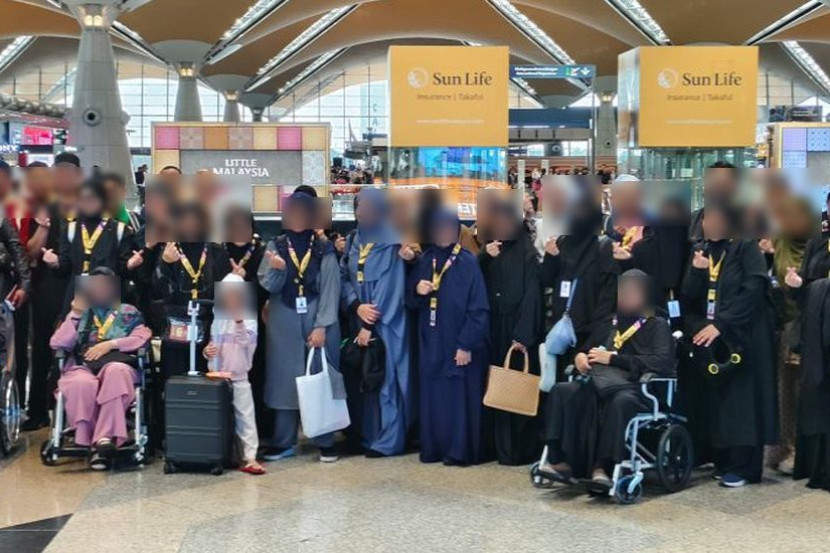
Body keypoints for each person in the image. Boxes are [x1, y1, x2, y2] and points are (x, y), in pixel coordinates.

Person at [540, 270, 675, 483]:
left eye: (632, 292)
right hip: (599, 383)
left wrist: (613, 359)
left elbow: (662, 362)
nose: (626, 297)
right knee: (562, 391)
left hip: (637, 388)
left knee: (619, 402)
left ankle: (602, 467)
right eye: (623, 292)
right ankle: (560, 460)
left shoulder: (656, 324)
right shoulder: (610, 321)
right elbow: (586, 349)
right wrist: (580, 357)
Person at [681, 203, 778, 487]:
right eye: (707, 219)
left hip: (744, 336)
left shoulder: (745, 246)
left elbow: (754, 289)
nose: (711, 224)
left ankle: (746, 468)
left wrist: (722, 324)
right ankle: (722, 460)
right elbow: (689, 296)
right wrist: (697, 271)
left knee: (743, 402)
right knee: (718, 401)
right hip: (714, 340)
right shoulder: (701, 250)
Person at [257, 191, 342, 463]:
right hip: (284, 321)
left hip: (318, 316)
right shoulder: (276, 245)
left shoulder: (324, 248)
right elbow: (268, 285)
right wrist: (277, 269)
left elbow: (331, 288)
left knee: (321, 378)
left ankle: (325, 440)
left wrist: (322, 326)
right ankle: (284, 441)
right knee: (284, 381)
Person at [406, 209, 490, 465]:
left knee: (457, 400)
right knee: (434, 400)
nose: (443, 234)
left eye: (448, 229)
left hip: (458, 345)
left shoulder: (467, 262)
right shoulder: (425, 260)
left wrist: (466, 345)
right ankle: (434, 448)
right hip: (431, 343)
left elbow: (479, 309)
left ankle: (458, 450)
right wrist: (417, 290)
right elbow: (410, 303)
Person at [48, 268, 151, 470]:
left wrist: (111, 344)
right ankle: (86, 440)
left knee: (115, 373)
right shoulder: (79, 313)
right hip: (84, 366)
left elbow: (142, 337)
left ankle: (104, 438)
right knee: (80, 383)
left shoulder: (128, 311)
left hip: (117, 363)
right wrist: (75, 314)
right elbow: (57, 343)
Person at [340, 188, 413, 457]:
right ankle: (369, 435)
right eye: (359, 206)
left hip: (387, 324)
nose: (362, 212)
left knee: (387, 379)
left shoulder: (392, 241)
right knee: (366, 379)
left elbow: (390, 288)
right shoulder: (353, 239)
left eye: (369, 207)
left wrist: (368, 325)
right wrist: (356, 306)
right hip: (359, 319)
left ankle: (389, 440)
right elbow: (343, 276)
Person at [479, 201, 542, 465]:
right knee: (496, 386)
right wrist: (484, 256)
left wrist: (523, 334)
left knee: (516, 387)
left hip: (518, 330)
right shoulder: (491, 249)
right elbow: (473, 281)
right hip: (495, 328)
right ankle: (498, 447)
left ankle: (518, 449)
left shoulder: (527, 252)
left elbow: (533, 295)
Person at [540, 181, 619, 369]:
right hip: (561, 330)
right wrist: (551, 257)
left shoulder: (604, 247)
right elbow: (545, 280)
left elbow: (608, 299)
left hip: (590, 334)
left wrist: (592, 342)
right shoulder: (562, 242)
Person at [153, 202, 231, 376]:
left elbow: (225, 292)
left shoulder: (216, 250)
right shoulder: (170, 249)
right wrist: (165, 264)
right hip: (177, 325)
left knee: (206, 376)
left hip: (208, 324)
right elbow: (158, 291)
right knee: (175, 376)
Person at [203, 274, 265, 475]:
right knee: (217, 417)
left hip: (239, 376)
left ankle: (250, 457)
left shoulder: (248, 318)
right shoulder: (218, 318)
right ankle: (217, 454)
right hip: (217, 376)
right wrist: (207, 352)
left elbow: (247, 342)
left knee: (245, 417)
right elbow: (211, 345)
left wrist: (239, 322)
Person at [783, 233, 830, 491]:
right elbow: (803, 294)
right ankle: (820, 469)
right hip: (818, 335)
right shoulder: (817, 243)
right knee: (819, 401)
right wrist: (797, 284)